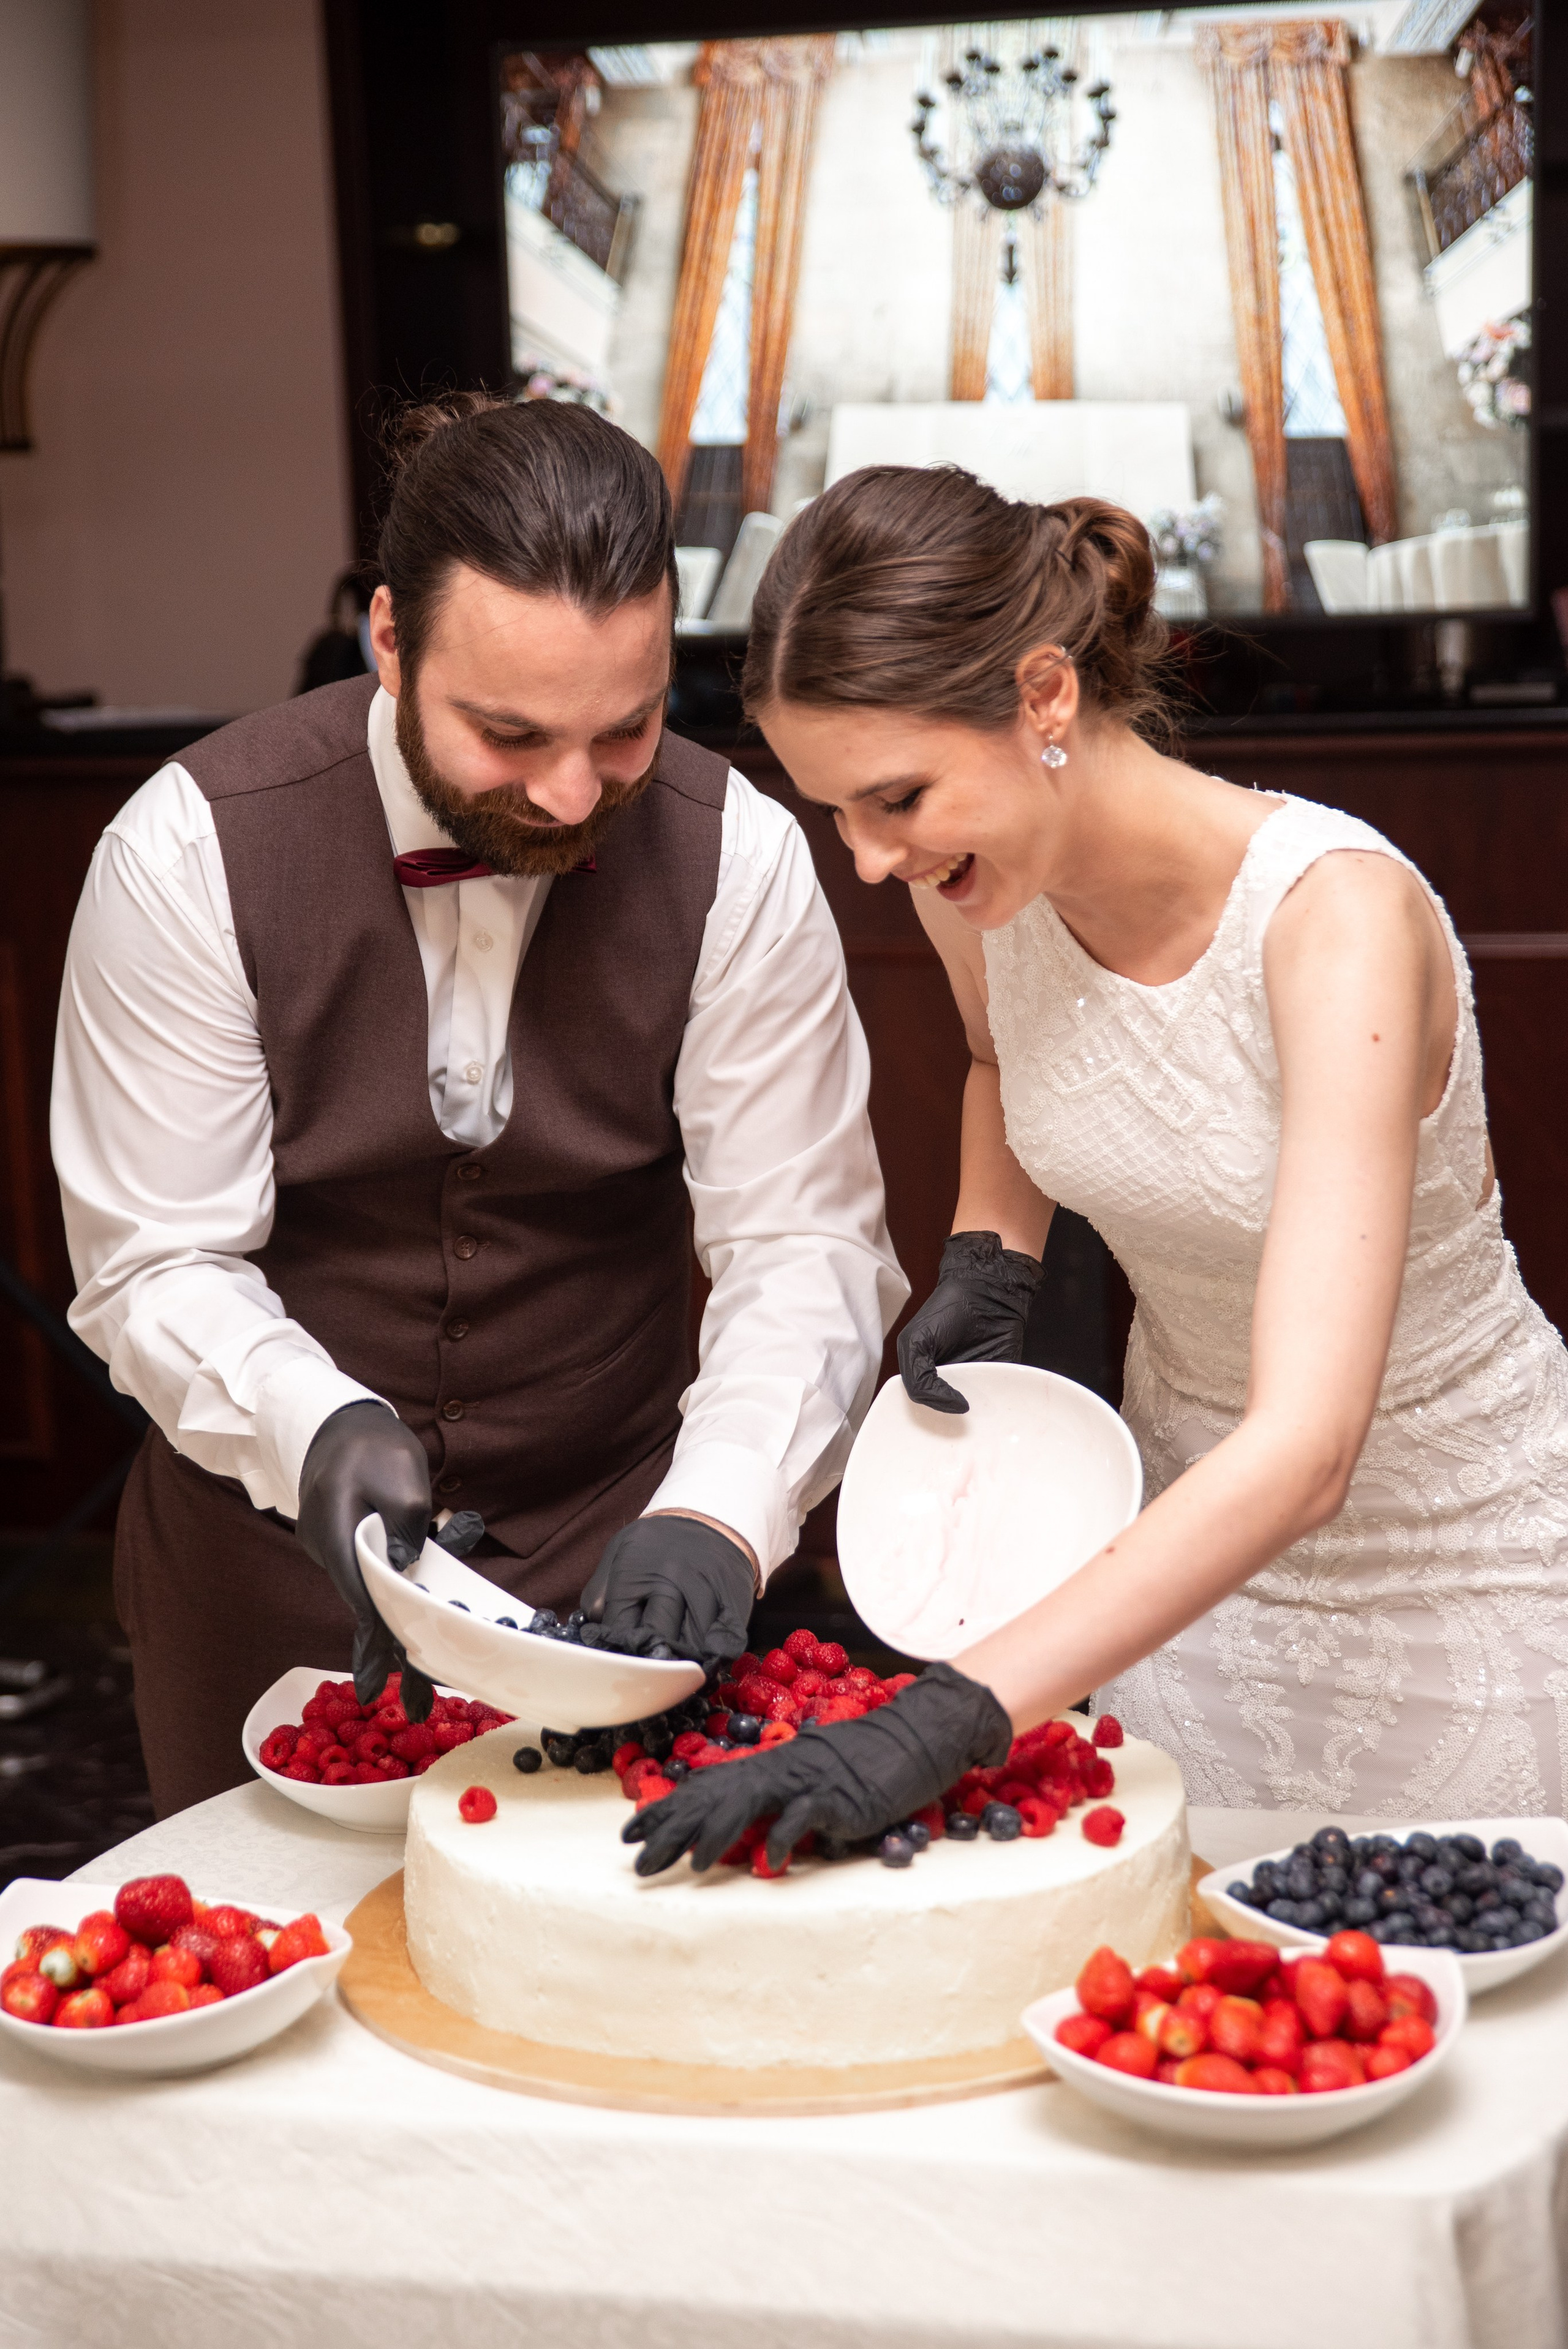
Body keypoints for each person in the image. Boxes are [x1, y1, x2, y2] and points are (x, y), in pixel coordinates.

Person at [627, 464, 1568, 1879]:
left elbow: (1309, 1445)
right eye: (835, 813)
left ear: (1044, 695)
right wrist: (986, 1255)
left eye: (895, 797)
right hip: (1172, 1565)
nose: (871, 862)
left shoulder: (1335, 923)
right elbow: (1004, 1060)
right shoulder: (975, 885)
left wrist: (951, 1710)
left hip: (1454, 1564)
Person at [52, 396, 905, 1816]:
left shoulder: (741, 860)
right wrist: (315, 1422)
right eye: (509, 733)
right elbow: (157, 1258)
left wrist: (719, 1509)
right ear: (390, 639)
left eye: (625, 729)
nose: (573, 796)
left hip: (620, 1566)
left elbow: (798, 1242)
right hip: (268, 1563)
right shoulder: (186, 852)